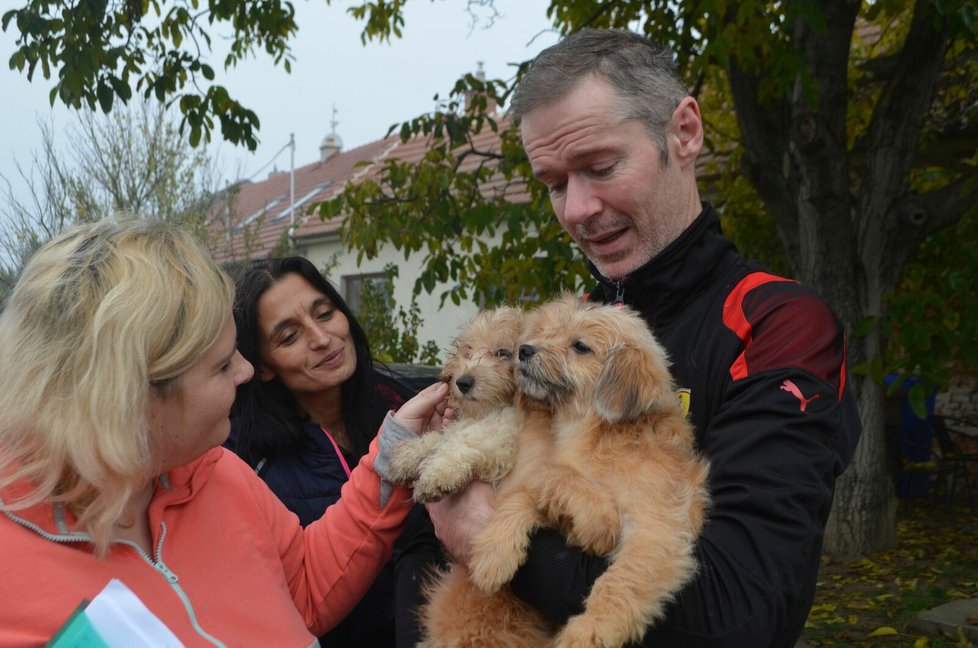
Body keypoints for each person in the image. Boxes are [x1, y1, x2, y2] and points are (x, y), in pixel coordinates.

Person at [427, 28, 862, 648]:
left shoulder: (777, 324)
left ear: (684, 133)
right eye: (553, 184)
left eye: (601, 167)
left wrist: (497, 542)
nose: (576, 210)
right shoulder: (569, 326)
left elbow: (733, 614)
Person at [0, 218, 451, 646]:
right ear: (128, 400)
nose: (246, 370)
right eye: (221, 365)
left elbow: (306, 588)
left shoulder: (216, 472)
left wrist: (394, 452)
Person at [228, 256, 442, 648]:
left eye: (325, 313)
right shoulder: (248, 464)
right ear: (262, 367)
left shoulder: (406, 407)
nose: (322, 338)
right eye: (289, 337)